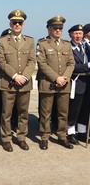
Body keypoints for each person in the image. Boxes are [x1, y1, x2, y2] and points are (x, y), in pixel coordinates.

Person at [0, 9, 36, 152]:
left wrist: (24, 76)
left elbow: (32, 61)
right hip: (8, 83)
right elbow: (1, 61)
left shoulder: (30, 41)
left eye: (19, 22)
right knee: (6, 113)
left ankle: (21, 137)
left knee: (23, 112)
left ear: (23, 24)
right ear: (10, 23)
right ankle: (6, 138)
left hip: (24, 83)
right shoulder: (2, 41)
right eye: (14, 22)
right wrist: (15, 76)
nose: (17, 25)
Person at [37, 15, 75, 150]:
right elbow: (42, 63)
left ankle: (62, 136)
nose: (58, 30)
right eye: (55, 28)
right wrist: (56, 78)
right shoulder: (42, 44)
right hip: (48, 83)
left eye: (60, 28)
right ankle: (45, 137)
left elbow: (71, 63)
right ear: (49, 29)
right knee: (45, 112)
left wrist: (64, 77)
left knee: (63, 112)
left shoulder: (66, 44)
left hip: (64, 84)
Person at [67, 25, 90, 145]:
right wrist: (87, 66)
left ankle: (81, 132)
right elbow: (71, 66)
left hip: (88, 81)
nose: (78, 36)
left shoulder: (86, 46)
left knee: (85, 109)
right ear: (70, 35)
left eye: (80, 34)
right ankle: (70, 132)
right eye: (75, 34)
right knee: (74, 109)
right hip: (77, 81)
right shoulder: (68, 48)